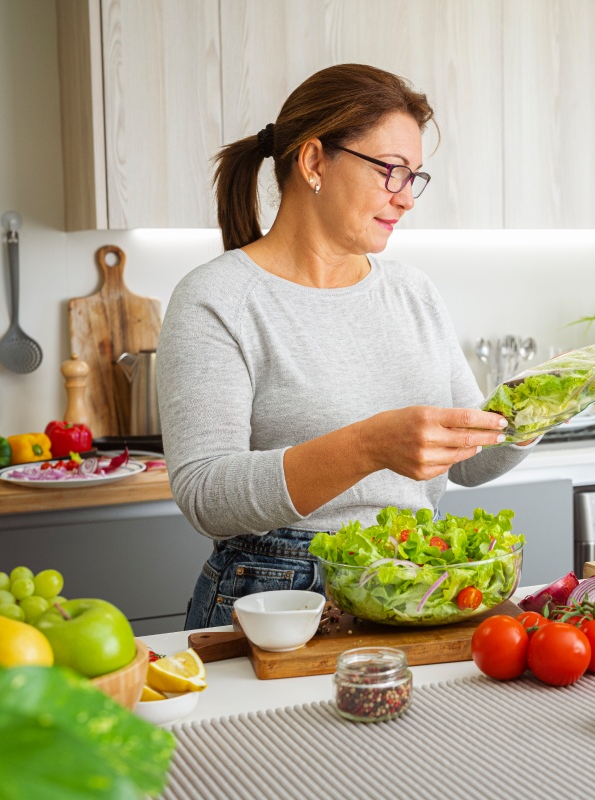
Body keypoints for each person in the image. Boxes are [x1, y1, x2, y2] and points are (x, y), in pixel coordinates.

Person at [158, 64, 538, 630]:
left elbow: (468, 461)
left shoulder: (413, 291)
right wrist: (368, 446)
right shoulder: (218, 297)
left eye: (415, 177)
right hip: (279, 597)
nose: (406, 198)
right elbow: (206, 495)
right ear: (314, 162)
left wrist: (544, 407)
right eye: (392, 171)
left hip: (418, 583)